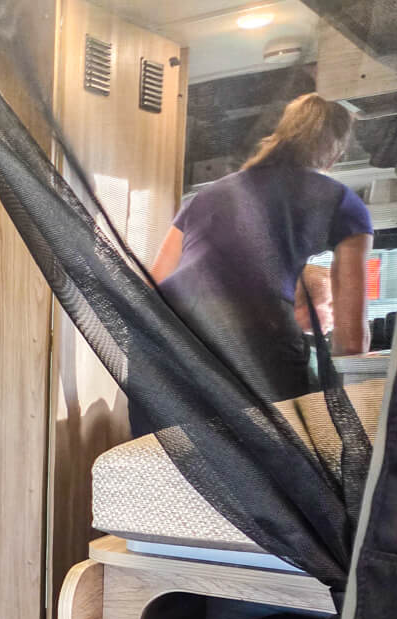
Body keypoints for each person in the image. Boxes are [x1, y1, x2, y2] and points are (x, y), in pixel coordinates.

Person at [150, 94, 372, 403]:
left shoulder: (205, 196)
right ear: (335, 154)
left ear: (279, 135)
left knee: (164, 451)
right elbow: (350, 340)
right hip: (255, 352)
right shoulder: (342, 203)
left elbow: (153, 284)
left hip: (165, 353)